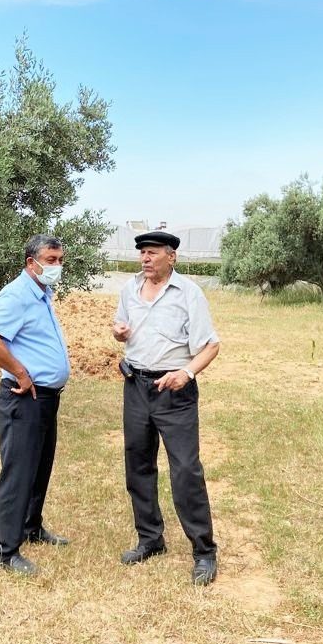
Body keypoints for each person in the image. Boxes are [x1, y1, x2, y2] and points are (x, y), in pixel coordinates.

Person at [112, 230, 221, 586]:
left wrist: (186, 373)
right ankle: (150, 538)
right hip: (136, 386)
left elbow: (210, 346)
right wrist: (120, 333)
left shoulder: (188, 293)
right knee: (138, 464)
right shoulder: (130, 289)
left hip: (174, 390)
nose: (145, 258)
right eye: (142, 252)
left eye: (152, 252)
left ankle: (203, 551)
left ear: (171, 257)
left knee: (185, 470)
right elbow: (122, 328)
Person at [0, 234, 72, 576]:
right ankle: (4, 551)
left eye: (60, 260)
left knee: (39, 466)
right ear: (31, 263)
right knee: (18, 472)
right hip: (24, 398)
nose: (56, 266)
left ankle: (31, 526)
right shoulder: (17, 294)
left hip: (47, 398)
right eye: (51, 260)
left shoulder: (42, 294)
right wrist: (19, 372)